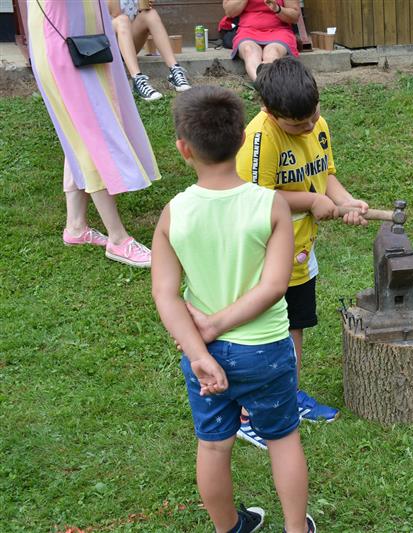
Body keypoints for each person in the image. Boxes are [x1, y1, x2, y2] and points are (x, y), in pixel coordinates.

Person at [151, 85, 316, 533]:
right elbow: (274, 286)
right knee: (282, 440)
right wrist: (219, 327)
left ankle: (229, 529)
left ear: (184, 149)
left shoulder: (173, 213)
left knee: (213, 447)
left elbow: (165, 294)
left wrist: (201, 353)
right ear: (243, 138)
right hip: (263, 349)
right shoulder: (271, 205)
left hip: (201, 350)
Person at [232, 56, 369, 448]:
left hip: (301, 253)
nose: (309, 126)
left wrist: (346, 201)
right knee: (262, 336)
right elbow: (255, 198)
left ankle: (285, 398)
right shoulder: (260, 138)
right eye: (298, 124)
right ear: (268, 111)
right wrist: (310, 202)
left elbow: (325, 175)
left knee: (294, 327)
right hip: (263, 255)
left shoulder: (316, 125)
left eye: (313, 116)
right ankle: (247, 414)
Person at [26, 0, 158, 268]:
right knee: (91, 135)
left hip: (84, 41)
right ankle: (118, 239)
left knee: (78, 132)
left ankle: (75, 226)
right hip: (63, 46)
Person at [107, 0, 191, 101]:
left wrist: (143, 5)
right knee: (122, 20)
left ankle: (175, 70)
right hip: (108, 47)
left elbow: (140, 10)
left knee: (150, 14)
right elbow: (115, 13)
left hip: (127, 46)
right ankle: (137, 79)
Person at [222, 0, 301, 81]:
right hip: (247, 31)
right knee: (249, 50)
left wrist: (278, 8)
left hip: (279, 30)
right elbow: (229, 12)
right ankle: (262, 84)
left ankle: (264, 84)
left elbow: (294, 17)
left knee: (272, 52)